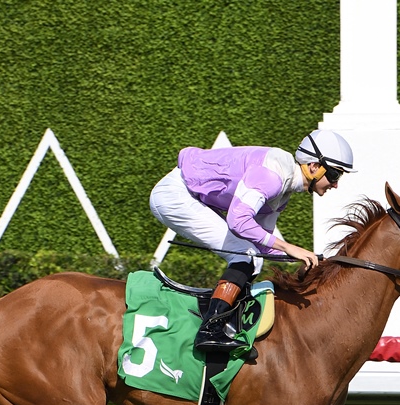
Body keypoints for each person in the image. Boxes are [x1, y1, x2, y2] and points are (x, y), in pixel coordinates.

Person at [150, 129, 356, 352]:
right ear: (314, 166)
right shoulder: (272, 177)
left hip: (187, 194)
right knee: (246, 256)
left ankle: (224, 320)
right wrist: (289, 247)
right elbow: (238, 221)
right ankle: (210, 329)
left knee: (252, 257)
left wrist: (304, 257)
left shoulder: (283, 190)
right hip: (175, 195)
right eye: (335, 175)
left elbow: (261, 244)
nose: (335, 184)